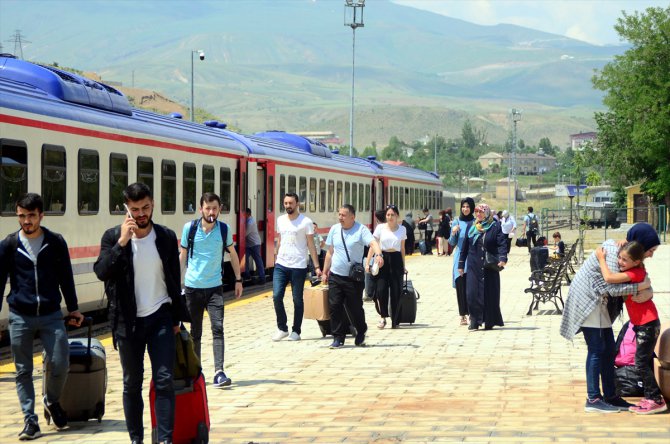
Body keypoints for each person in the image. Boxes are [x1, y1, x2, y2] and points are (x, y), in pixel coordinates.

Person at [94, 183, 186, 444]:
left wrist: (177, 319)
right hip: (128, 323)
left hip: (160, 317)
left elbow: (172, 279)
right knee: (131, 384)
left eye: (145, 207)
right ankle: (137, 440)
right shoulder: (112, 237)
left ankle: (165, 440)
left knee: (164, 380)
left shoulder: (166, 237)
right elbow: (101, 270)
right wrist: (122, 242)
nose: (141, 214)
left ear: (153, 204)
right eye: (135, 209)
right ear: (127, 209)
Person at [0, 193, 84, 440]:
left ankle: (52, 400)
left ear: (41, 215)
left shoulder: (55, 242)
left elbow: (66, 277)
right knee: (23, 371)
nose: (26, 221)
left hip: (50, 314)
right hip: (19, 315)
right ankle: (30, 421)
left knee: (60, 362)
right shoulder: (9, 245)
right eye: (22, 216)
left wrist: (74, 308)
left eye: (31, 216)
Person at [559, 222, 658, 414]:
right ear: (642, 245)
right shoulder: (614, 252)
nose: (651, 254)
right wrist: (641, 287)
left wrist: (647, 287)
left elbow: (636, 278)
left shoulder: (626, 253)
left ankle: (611, 396)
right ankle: (593, 398)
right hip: (588, 301)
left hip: (599, 304)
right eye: (651, 250)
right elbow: (611, 287)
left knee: (609, 349)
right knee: (597, 349)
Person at [180, 193, 244, 389]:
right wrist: (175, 284)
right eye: (207, 208)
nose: (211, 212)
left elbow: (233, 254)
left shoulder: (223, 229)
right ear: (201, 209)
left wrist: (238, 279)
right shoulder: (189, 229)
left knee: (218, 329)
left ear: (219, 209)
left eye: (215, 208)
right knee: (195, 333)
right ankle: (196, 372)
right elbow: (182, 257)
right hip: (192, 288)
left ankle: (219, 372)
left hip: (215, 288)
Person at [595, 241, 666, 414]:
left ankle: (656, 399)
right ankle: (651, 396)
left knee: (640, 362)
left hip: (647, 324)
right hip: (645, 323)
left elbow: (609, 278)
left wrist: (601, 259)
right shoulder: (634, 270)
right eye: (619, 257)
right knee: (645, 360)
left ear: (636, 262)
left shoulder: (634, 273)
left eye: (624, 260)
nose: (620, 262)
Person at [322, 204, 383, 348]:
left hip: (353, 278)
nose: (340, 218)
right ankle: (338, 337)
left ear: (352, 217)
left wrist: (379, 254)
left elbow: (373, 243)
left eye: (343, 215)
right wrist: (325, 272)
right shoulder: (335, 230)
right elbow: (330, 252)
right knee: (335, 306)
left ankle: (361, 330)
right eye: (339, 214)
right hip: (336, 275)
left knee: (354, 307)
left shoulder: (361, 230)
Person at [271, 193, 321, 342]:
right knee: (276, 296)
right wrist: (276, 255)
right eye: (285, 203)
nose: (288, 206)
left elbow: (311, 244)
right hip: (281, 264)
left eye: (290, 203)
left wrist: (317, 266)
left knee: (297, 299)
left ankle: (296, 331)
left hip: (298, 265)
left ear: (297, 203)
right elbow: (280, 239)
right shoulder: (280, 220)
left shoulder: (306, 222)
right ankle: (282, 328)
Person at [458, 203, 508, 331]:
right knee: (472, 294)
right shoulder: (471, 226)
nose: (478, 214)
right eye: (476, 212)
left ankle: (489, 320)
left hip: (489, 266)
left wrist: (502, 258)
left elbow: (502, 243)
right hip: (474, 266)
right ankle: (474, 321)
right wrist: (461, 264)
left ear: (486, 213)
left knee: (490, 294)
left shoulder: (495, 226)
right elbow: (464, 247)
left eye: (481, 212)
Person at [367, 204, 406, 329]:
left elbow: (402, 248)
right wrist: (368, 263)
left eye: (392, 215)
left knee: (396, 290)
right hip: (382, 259)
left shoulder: (402, 229)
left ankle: (395, 320)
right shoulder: (380, 228)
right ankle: (383, 317)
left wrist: (404, 265)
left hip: (396, 259)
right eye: (388, 215)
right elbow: (373, 245)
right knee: (381, 290)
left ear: (397, 216)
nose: (390, 217)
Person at [448, 198, 475, 326]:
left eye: (468, 206)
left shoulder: (476, 222)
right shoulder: (456, 222)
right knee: (461, 287)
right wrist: (453, 233)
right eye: (463, 206)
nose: (465, 209)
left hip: (473, 258)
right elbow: (452, 243)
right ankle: (462, 315)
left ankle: (472, 313)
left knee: (471, 288)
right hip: (459, 258)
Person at [364, 210, 386, 302]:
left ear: (377, 219)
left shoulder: (380, 227)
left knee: (368, 270)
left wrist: (367, 263)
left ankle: (369, 293)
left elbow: (373, 246)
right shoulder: (395, 227)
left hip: (379, 257)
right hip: (391, 257)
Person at [242, 208, 266, 284]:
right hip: (249, 244)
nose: (243, 215)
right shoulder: (248, 221)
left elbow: (245, 233)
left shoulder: (250, 222)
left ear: (248, 214)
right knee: (244, 259)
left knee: (258, 261)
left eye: (244, 214)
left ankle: (262, 278)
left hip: (255, 244)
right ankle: (247, 275)